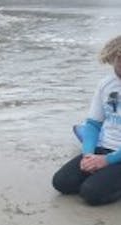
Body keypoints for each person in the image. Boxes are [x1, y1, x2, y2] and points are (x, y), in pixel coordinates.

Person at [52, 35, 121, 206]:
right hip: (104, 147)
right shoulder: (106, 85)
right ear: (112, 58)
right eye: (119, 58)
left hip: (115, 156)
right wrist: (88, 154)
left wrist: (107, 161)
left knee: (91, 193)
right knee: (62, 182)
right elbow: (93, 124)